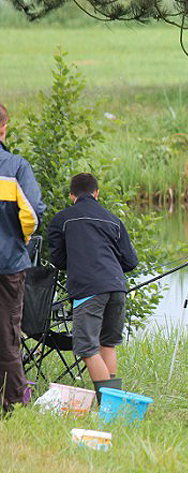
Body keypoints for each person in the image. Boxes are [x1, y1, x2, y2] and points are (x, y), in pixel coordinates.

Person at [48, 173, 138, 402]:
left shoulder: (62, 219)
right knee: (108, 344)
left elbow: (57, 260)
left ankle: (109, 404)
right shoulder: (113, 220)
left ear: (72, 195)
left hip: (88, 290)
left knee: (88, 349)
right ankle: (113, 406)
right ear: (96, 193)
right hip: (117, 288)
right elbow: (131, 262)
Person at [0, 103, 46, 413]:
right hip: (7, 264)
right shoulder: (15, 166)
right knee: (6, 336)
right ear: (3, 128)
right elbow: (33, 212)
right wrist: (20, 241)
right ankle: (13, 403)